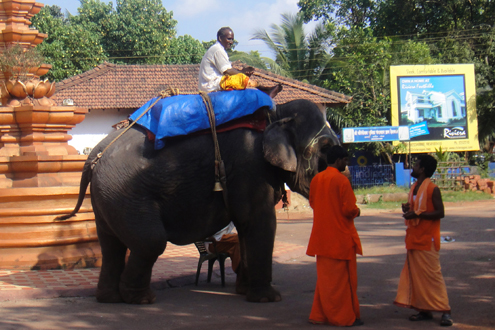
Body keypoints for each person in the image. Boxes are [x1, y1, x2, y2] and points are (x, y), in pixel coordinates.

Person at [307, 145, 363, 327]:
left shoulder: (316, 179)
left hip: (322, 239)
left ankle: (319, 315)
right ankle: (343, 317)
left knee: (325, 281)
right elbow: (349, 209)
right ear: (339, 160)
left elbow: (314, 204)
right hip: (340, 239)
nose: (346, 164)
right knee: (342, 283)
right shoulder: (341, 180)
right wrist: (357, 211)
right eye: (345, 161)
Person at [394, 155, 453, 327]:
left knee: (433, 276)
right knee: (418, 277)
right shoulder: (414, 187)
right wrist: (408, 209)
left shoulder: (433, 188)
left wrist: (417, 214)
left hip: (427, 239)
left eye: (416, 165)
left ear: (423, 170)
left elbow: (440, 213)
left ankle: (445, 311)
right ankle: (424, 309)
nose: (413, 167)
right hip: (414, 238)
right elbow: (415, 208)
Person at [198, 27, 258, 92]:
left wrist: (243, 73)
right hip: (211, 85)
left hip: (213, 83)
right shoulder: (218, 50)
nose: (231, 42)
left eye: (232, 40)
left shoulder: (219, 49)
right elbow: (227, 71)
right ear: (220, 38)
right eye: (229, 39)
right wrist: (242, 74)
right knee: (244, 81)